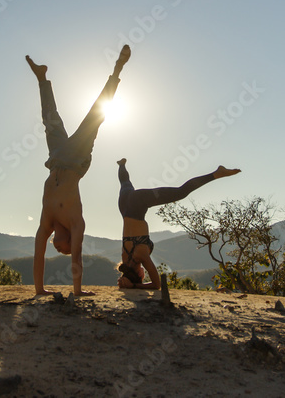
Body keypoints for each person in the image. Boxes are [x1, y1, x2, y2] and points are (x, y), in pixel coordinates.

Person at [30, 45, 131, 297]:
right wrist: (77, 291)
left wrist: (40, 289)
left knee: (50, 119)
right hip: (76, 159)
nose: (61, 250)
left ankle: (42, 78)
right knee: (96, 116)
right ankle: (117, 69)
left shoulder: (46, 223)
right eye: (63, 250)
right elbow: (77, 258)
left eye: (61, 250)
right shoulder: (76, 222)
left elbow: (38, 256)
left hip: (56, 159)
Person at [115, 158, 240, 290]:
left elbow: (156, 285)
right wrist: (126, 281)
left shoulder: (141, 256)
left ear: (139, 275)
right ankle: (121, 165)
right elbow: (127, 274)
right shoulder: (125, 257)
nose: (144, 273)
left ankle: (217, 173)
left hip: (137, 203)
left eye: (142, 276)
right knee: (125, 183)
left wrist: (135, 286)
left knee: (181, 192)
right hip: (124, 206)